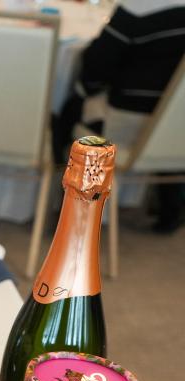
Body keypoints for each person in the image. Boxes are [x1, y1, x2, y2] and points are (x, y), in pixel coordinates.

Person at [54, 0, 185, 232]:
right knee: (168, 114)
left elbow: (95, 69)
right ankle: (171, 208)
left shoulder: (136, 11)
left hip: (127, 126)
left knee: (70, 109)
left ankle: (72, 210)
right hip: (177, 131)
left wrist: (87, 88)